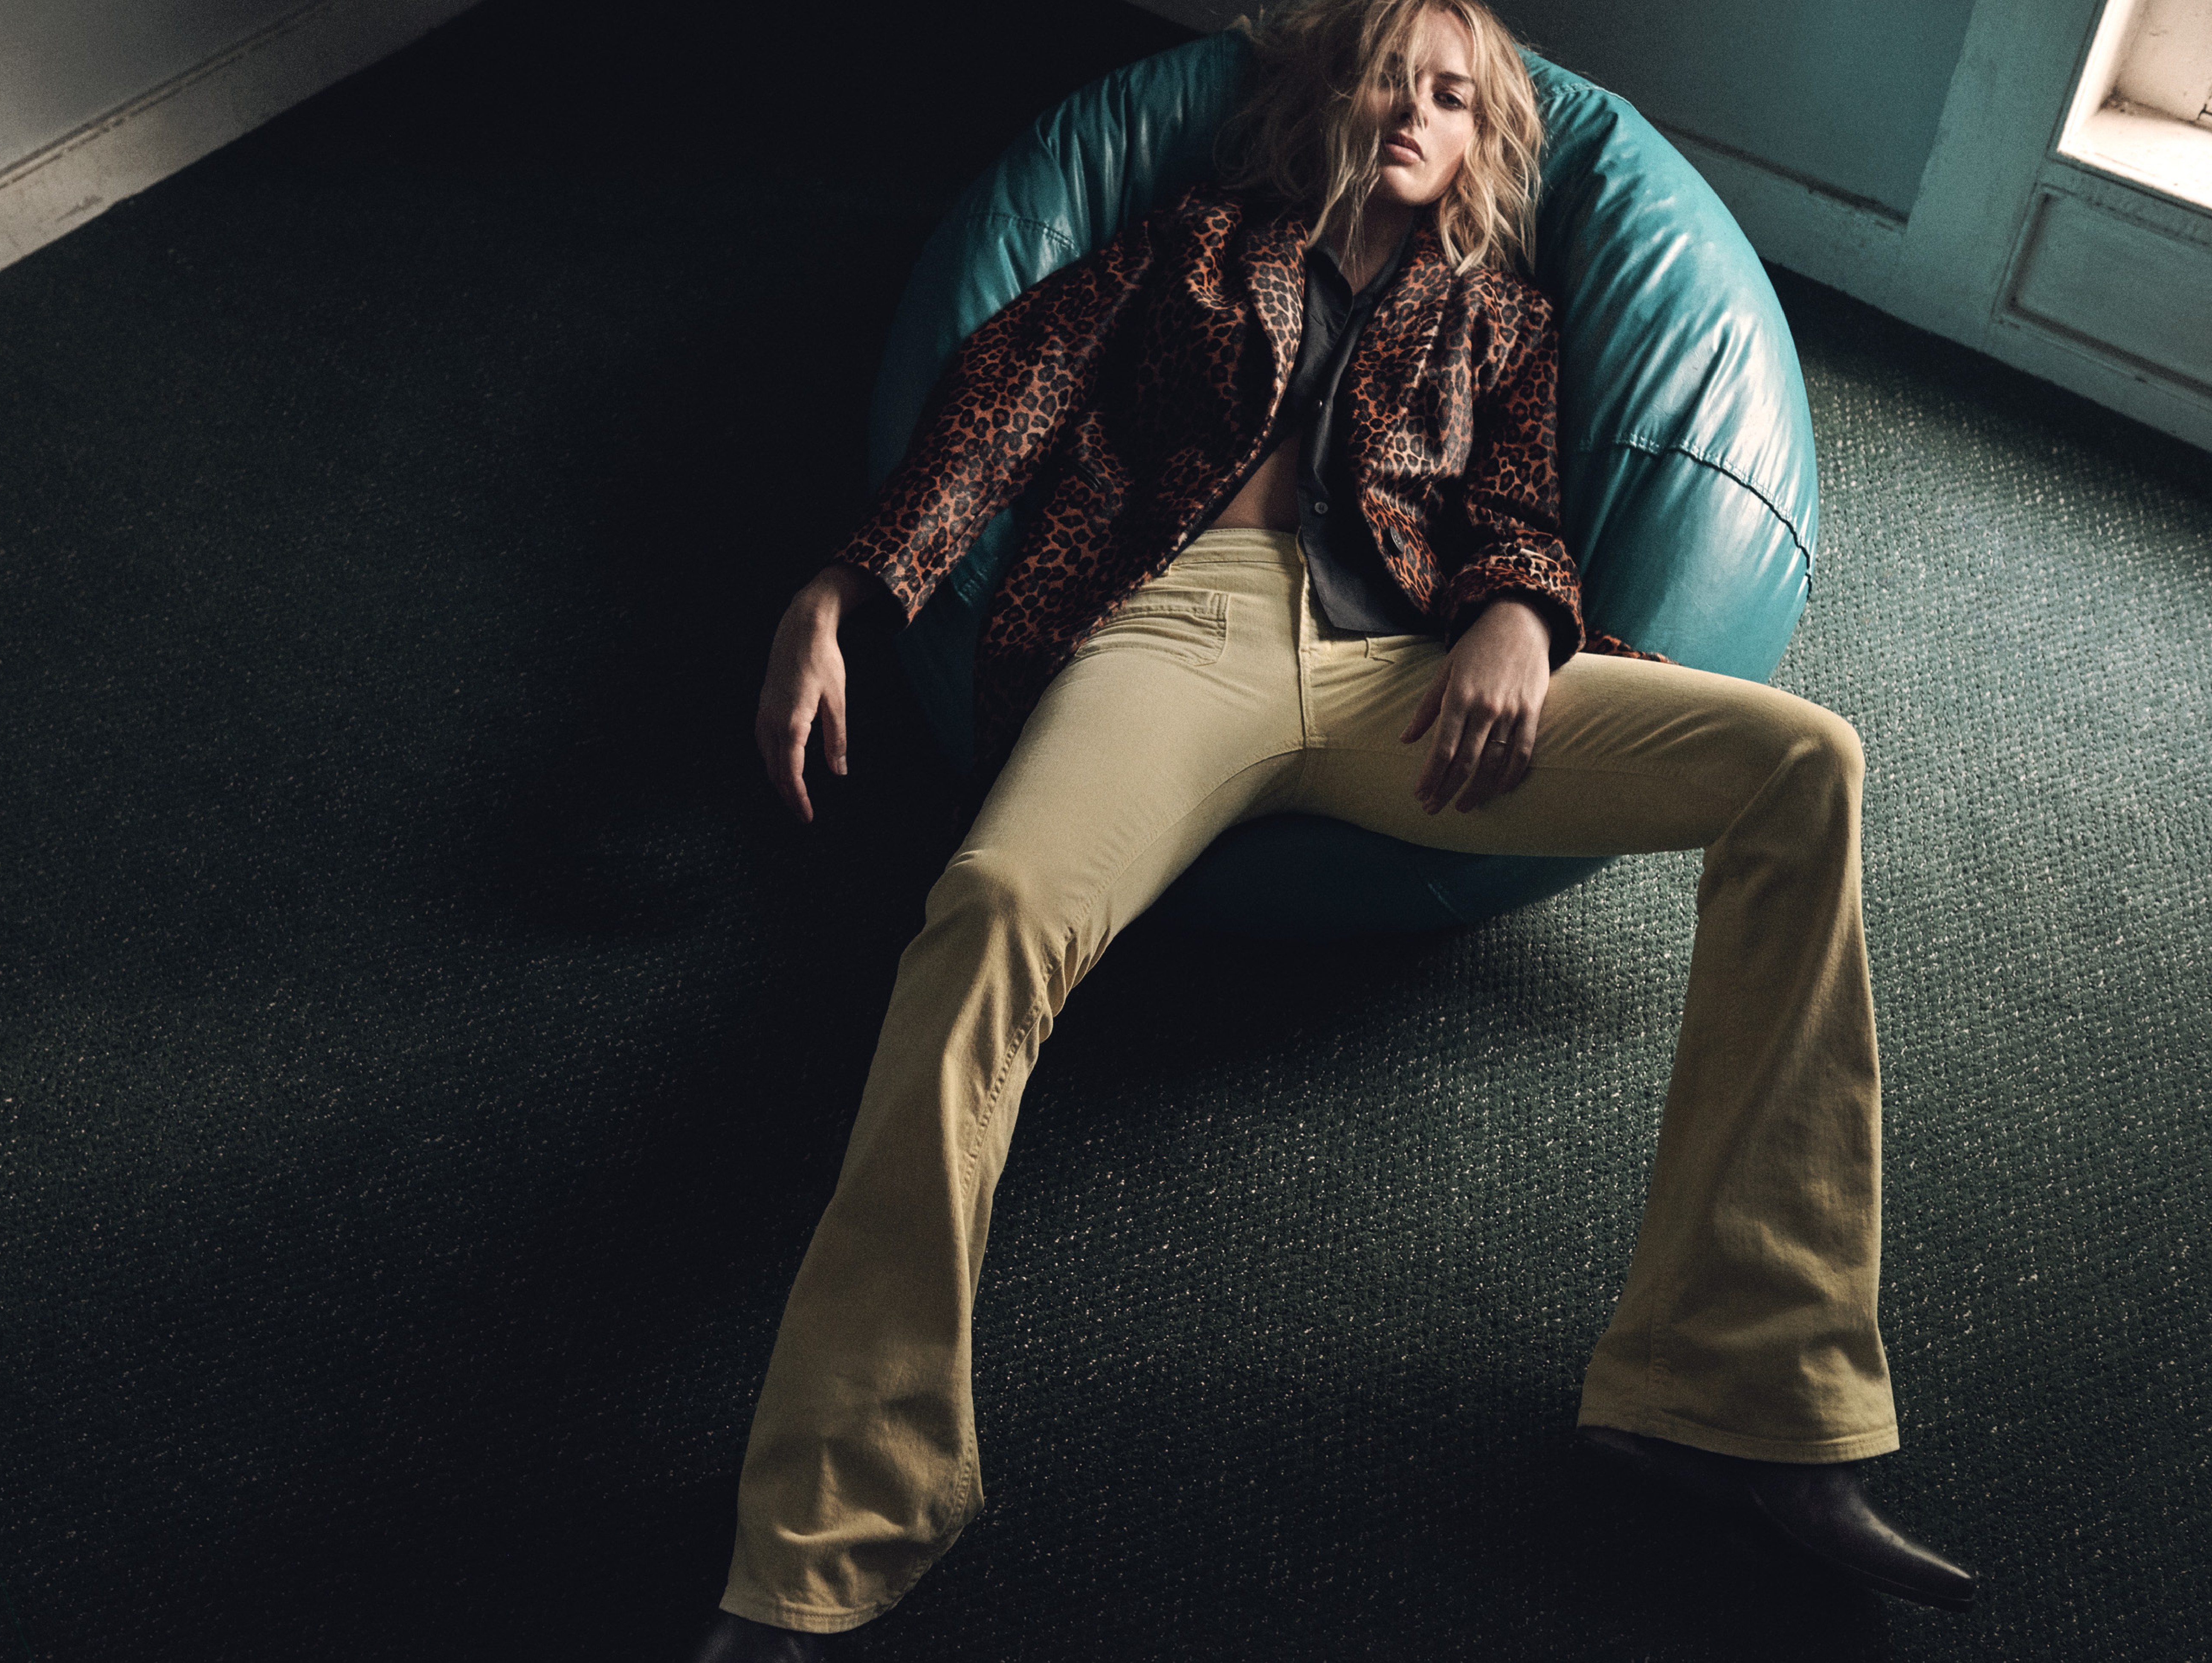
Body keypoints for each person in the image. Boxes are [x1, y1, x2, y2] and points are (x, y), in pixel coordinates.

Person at [694, 2, 1975, 1654]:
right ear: (1329, 97)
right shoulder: (1192, 245)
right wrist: (843, 588)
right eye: (1391, 77)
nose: (1416, 110)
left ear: (1484, 142)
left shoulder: (1503, 316)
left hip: (1409, 673)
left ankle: (1736, 1395)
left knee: (1806, 762)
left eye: (1455, 94)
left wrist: (1520, 612)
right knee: (991, 911)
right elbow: (1005, 399)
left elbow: (1520, 504)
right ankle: (838, 1517)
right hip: (1170, 637)